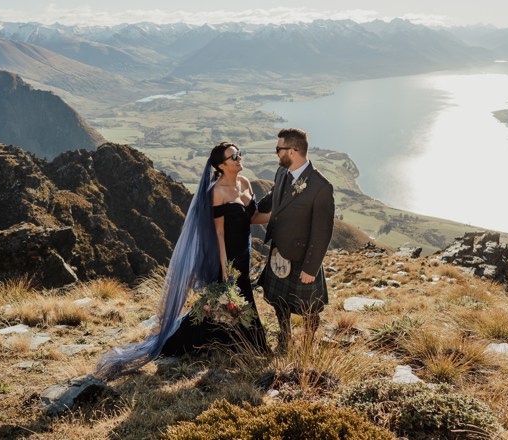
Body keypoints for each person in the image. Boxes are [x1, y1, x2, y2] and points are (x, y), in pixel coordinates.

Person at [94, 142, 268, 380]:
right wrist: (225, 267)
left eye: (239, 153)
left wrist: (282, 211)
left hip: (244, 254)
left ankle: (236, 343)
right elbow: (217, 233)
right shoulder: (216, 192)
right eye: (233, 156)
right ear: (221, 165)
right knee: (224, 300)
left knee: (239, 297)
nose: (239, 158)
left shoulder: (245, 183)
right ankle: (178, 344)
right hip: (225, 258)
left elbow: (254, 217)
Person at [255, 127, 335, 352]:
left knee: (310, 309)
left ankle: (308, 345)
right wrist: (251, 209)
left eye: (278, 149)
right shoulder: (282, 173)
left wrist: (311, 268)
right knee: (280, 303)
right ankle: (285, 336)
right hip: (278, 251)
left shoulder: (321, 187)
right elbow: (274, 196)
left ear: (292, 151)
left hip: (303, 257)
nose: (276, 153)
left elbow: (323, 232)